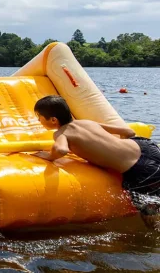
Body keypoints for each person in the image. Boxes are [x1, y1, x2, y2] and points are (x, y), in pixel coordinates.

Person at [32, 95, 160, 226]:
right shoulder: (87, 122)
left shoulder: (61, 133)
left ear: (53, 120)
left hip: (140, 169)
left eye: (40, 117)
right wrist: (116, 151)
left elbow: (61, 150)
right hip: (147, 148)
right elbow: (128, 132)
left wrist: (49, 156)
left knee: (148, 209)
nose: (39, 120)